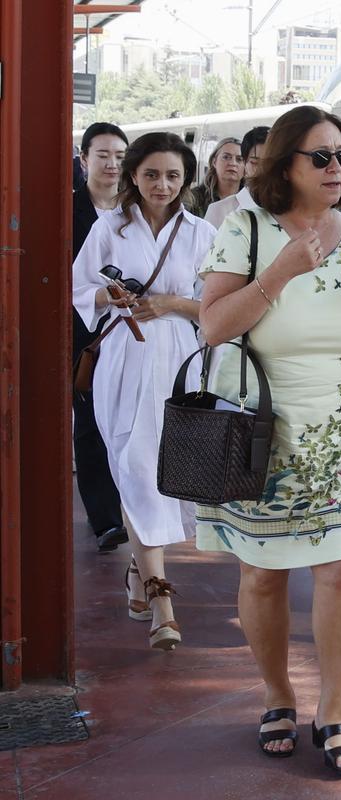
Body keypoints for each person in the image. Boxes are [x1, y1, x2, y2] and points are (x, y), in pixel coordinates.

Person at [195, 105, 341, 777]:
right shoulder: (244, 229)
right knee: (264, 573)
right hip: (262, 430)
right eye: (321, 157)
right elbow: (213, 327)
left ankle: (333, 708)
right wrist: (280, 273)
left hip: (338, 427)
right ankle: (278, 694)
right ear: (286, 165)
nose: (337, 168)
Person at [71, 132, 217, 649]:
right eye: (152, 174)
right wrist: (108, 295)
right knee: (131, 465)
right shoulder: (109, 228)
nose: (162, 184)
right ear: (134, 174)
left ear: (186, 180)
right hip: (123, 357)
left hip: (179, 360)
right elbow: (78, 287)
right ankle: (161, 598)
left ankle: (138, 568)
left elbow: (217, 305)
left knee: (165, 468)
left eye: (173, 176)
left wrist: (173, 304)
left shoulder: (201, 233)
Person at [72, 122, 129, 553]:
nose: (112, 164)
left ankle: (134, 510)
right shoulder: (67, 208)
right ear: (84, 157)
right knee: (90, 422)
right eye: (103, 155)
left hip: (133, 331)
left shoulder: (136, 210)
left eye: (120, 156)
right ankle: (106, 520)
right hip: (82, 331)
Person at [204, 126, 269, 229]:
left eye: (270, 162)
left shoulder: (288, 210)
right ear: (245, 164)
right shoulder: (219, 211)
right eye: (254, 162)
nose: (263, 169)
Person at [192, 137, 243, 217]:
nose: (233, 163)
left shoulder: (252, 200)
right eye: (226, 157)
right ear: (214, 162)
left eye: (239, 159)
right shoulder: (194, 199)